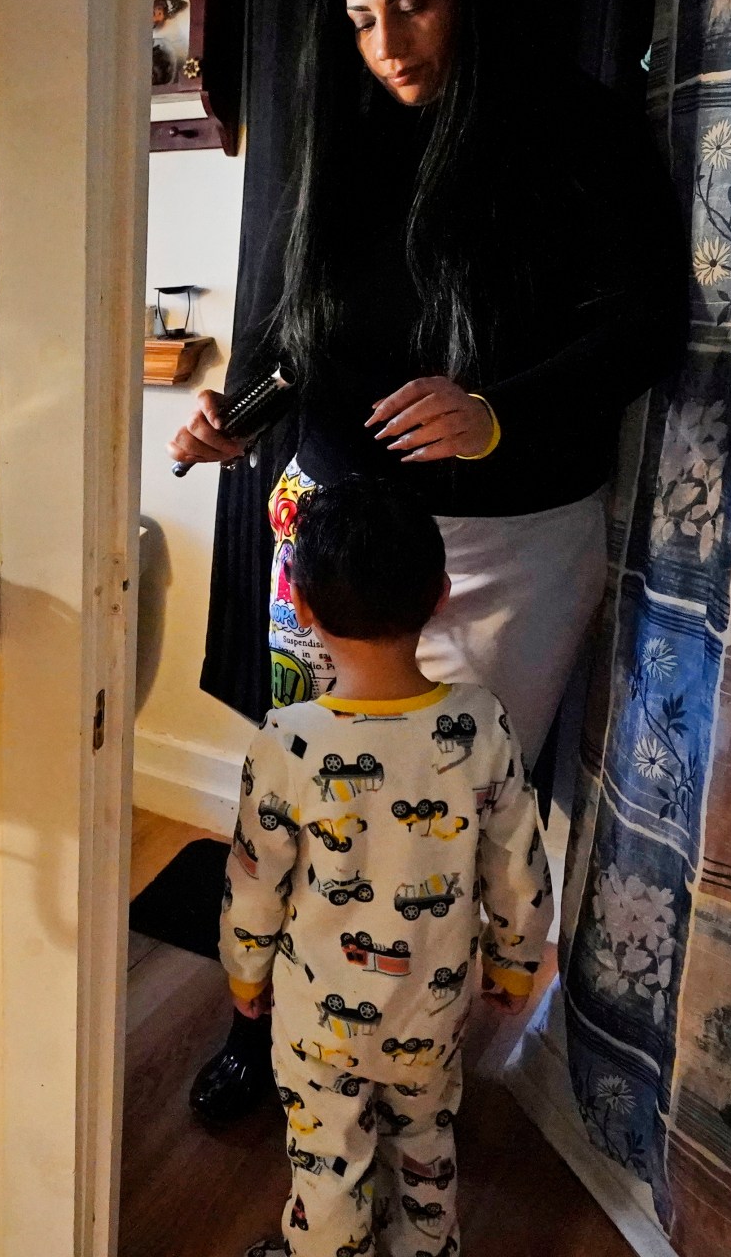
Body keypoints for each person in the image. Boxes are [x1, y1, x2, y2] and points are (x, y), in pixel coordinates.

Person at [173, 0, 683, 1125]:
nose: (388, 45)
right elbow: (298, 339)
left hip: (508, 546)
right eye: (360, 19)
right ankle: (267, 1021)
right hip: (339, 537)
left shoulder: (582, 131)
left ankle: (415, 1051)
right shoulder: (346, 136)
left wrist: (498, 412)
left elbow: (645, 327)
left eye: (415, 4)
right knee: (301, 794)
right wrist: (236, 420)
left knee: (442, 820)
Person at [223, 481, 550, 1257]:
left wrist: (245, 971)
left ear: (299, 607)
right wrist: (515, 963)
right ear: (441, 594)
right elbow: (518, 864)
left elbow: (254, 877)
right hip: (429, 1011)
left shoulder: (287, 737)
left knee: (328, 1162)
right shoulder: (480, 723)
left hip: (315, 1018)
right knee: (427, 1142)